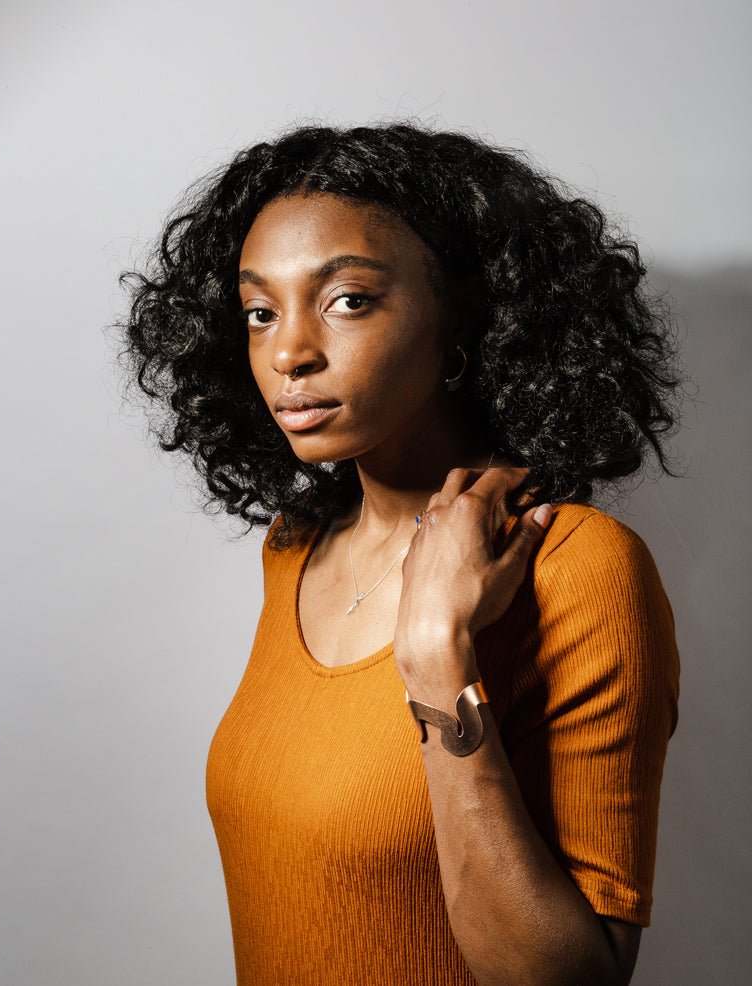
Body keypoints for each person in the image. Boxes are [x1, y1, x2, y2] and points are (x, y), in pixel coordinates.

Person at [116, 120, 684, 985]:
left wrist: (434, 657)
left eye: (347, 300)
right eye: (260, 312)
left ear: (460, 312)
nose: (289, 353)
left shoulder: (579, 566)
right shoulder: (295, 546)